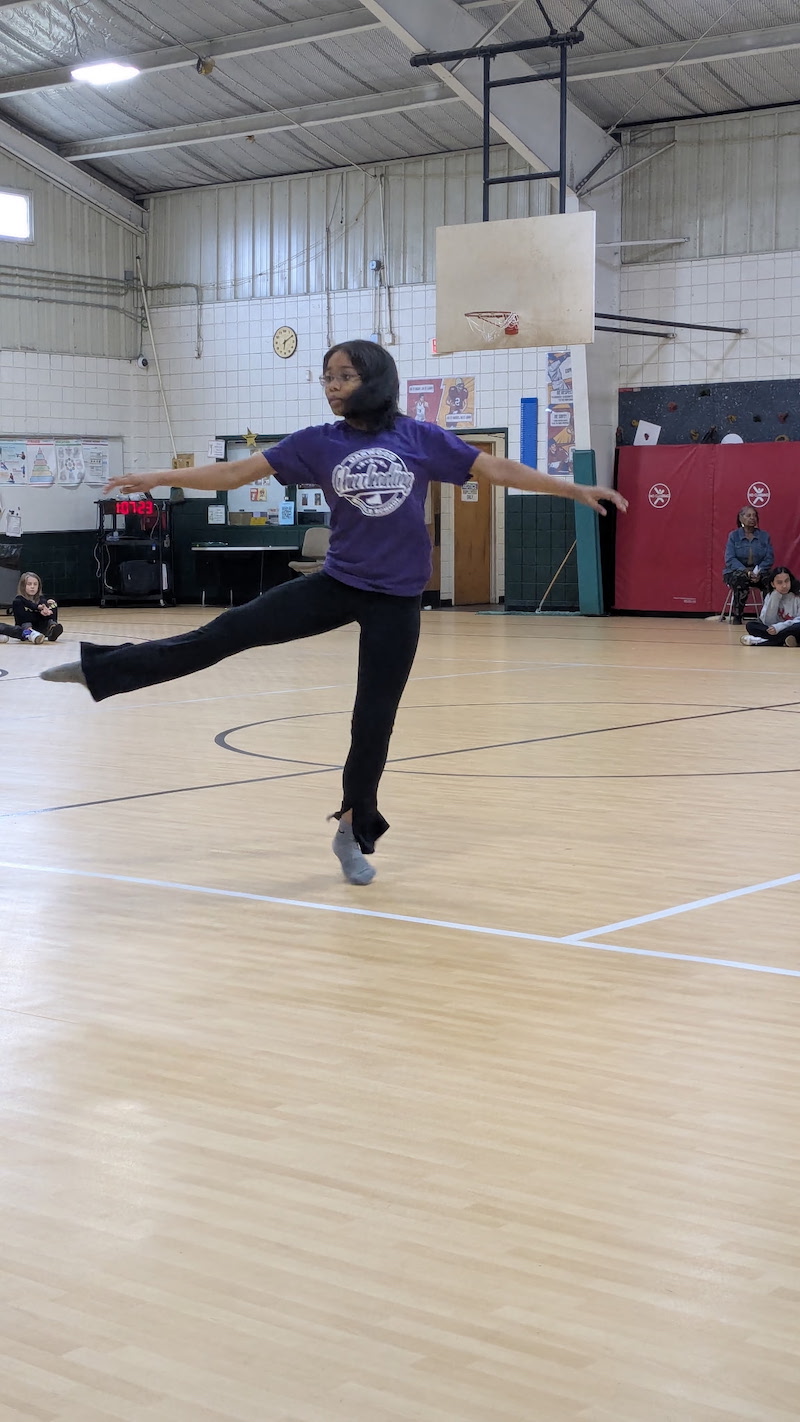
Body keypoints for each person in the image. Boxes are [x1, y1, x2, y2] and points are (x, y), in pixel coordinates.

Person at [40, 340, 627, 886]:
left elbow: (495, 470)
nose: (333, 386)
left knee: (373, 720)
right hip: (338, 583)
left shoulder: (420, 438)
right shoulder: (317, 442)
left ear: (376, 380)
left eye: (344, 376)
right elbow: (235, 473)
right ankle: (102, 669)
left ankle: (352, 828)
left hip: (397, 600)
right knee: (227, 630)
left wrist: (573, 489)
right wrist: (160, 476)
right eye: (327, 378)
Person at [722, 506, 774, 623]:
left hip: (759, 571)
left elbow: (769, 558)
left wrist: (757, 572)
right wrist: (747, 572)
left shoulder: (764, 536)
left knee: (771, 579)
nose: (752, 518)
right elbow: (730, 559)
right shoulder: (733, 536)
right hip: (736, 571)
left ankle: (767, 617)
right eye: (749, 515)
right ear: (741, 518)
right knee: (740, 578)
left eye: (754, 515)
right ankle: (738, 616)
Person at [740, 566, 800, 646]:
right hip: (773, 629)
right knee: (751, 625)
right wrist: (775, 597)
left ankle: (761, 641)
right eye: (780, 582)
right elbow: (767, 621)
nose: (784, 585)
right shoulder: (770, 596)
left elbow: (798, 620)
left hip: (790, 627)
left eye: (787, 581)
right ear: (773, 584)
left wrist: (779, 627)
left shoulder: (797, 595)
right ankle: (784, 640)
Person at [0, 571, 63, 644]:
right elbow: (23, 618)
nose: (32, 587)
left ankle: (52, 631)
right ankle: (30, 634)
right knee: (26, 623)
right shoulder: (18, 601)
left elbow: (43, 605)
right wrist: (38, 609)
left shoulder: (41, 599)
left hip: (40, 627)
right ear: (23, 586)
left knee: (52, 603)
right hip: (26, 628)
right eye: (29, 584)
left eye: (35, 584)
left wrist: (46, 610)